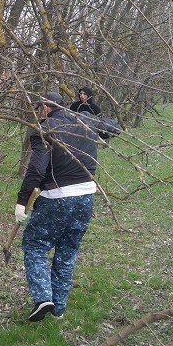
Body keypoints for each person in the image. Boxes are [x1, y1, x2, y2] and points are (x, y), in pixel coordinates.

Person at [15, 91, 120, 322]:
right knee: (67, 251)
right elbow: (115, 127)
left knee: (35, 245)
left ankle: (43, 297)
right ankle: (58, 309)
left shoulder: (44, 129)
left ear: (45, 107)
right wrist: (90, 122)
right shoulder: (84, 122)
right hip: (85, 196)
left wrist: (21, 202)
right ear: (63, 106)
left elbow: (36, 169)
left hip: (57, 196)